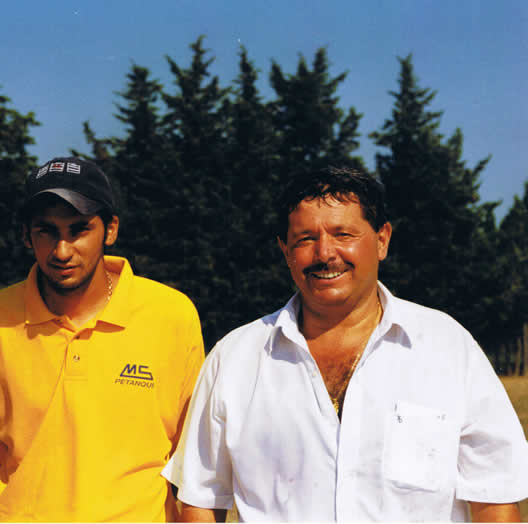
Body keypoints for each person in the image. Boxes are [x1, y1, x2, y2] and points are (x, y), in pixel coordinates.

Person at [162, 167, 528, 522]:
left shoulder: (448, 347)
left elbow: (494, 503)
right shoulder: (234, 359)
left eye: (343, 234)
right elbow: (200, 501)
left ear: (382, 239)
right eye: (305, 238)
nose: (324, 254)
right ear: (284, 249)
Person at [0, 156, 205, 521]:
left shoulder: (172, 315)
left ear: (110, 230)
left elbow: (191, 464)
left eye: (78, 229)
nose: (62, 251)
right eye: (46, 231)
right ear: (26, 235)